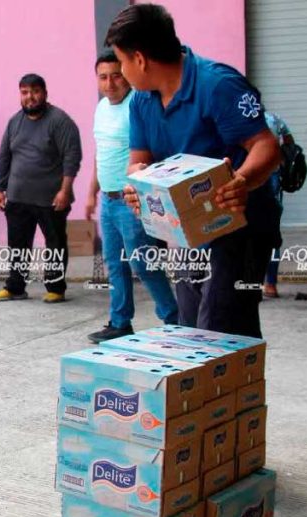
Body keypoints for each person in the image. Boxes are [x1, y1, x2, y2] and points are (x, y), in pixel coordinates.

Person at [106, 4, 282, 338]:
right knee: (189, 329)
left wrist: (242, 180)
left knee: (222, 327)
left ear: (140, 59)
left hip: (240, 230)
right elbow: (138, 159)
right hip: (189, 233)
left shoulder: (218, 86)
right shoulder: (143, 101)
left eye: (122, 62)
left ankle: (237, 389)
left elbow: (267, 146)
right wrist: (138, 183)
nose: (123, 73)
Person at [85, 51, 179, 343]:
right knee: (114, 263)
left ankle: (174, 320)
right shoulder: (101, 108)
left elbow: (150, 152)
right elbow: (102, 155)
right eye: (103, 77)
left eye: (116, 75)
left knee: (142, 262)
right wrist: (91, 192)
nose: (110, 83)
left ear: (126, 75)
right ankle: (120, 322)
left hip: (132, 201)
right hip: (108, 201)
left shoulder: (136, 106)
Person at [0, 74, 82, 304]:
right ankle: (15, 287)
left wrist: (65, 190)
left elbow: (72, 158)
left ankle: (55, 288)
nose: (30, 97)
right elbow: (4, 156)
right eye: (24, 92)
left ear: (45, 93)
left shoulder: (60, 121)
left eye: (35, 91)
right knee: (17, 245)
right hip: (18, 196)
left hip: (51, 198)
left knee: (54, 245)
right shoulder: (14, 122)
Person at [262, 111, 294, 299]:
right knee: (272, 233)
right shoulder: (274, 119)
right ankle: (271, 284)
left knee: (246, 235)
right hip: (272, 177)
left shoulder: (237, 118)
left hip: (247, 177)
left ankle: (249, 286)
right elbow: (290, 143)